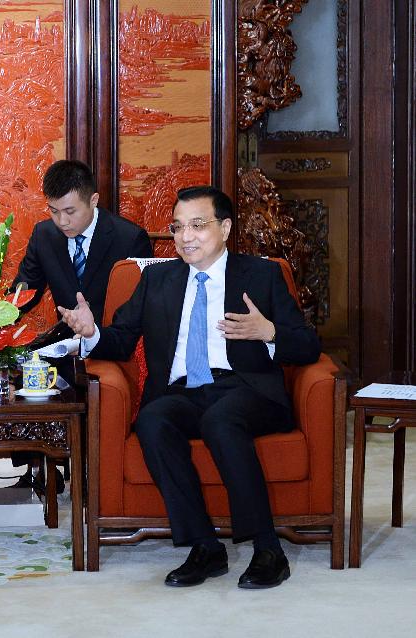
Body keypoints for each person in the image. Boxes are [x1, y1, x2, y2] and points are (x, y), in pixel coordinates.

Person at [58, 185, 320, 589]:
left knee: (221, 418)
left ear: (226, 227)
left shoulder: (262, 274)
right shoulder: (157, 277)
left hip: (247, 391)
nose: (185, 237)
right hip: (182, 392)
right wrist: (91, 333)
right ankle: (205, 547)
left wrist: (268, 332)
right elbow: (122, 339)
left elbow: (307, 346)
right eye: (178, 227)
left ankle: (269, 550)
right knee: (153, 420)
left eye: (198, 225)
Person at [10, 159, 153, 493]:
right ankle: (40, 465)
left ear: (93, 200)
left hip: (110, 339)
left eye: (70, 211)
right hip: (65, 337)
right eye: (54, 211)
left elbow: (136, 311)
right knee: (19, 366)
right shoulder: (45, 234)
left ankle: (89, 469)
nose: (62, 221)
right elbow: (25, 290)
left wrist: (95, 331)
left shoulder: (129, 238)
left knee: (88, 382)